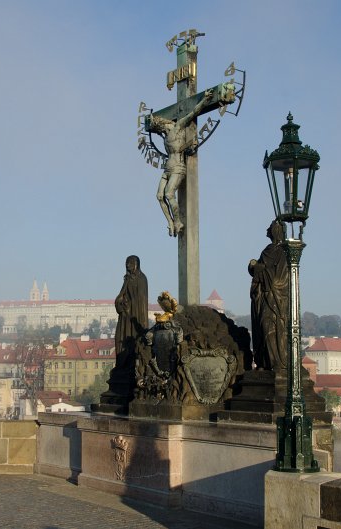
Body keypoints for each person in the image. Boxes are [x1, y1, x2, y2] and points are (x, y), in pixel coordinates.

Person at [147, 88, 214, 237]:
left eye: (159, 127)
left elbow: (193, 113)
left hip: (178, 167)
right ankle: (170, 222)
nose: (159, 130)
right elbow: (154, 126)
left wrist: (205, 100)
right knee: (159, 196)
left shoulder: (177, 127)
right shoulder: (165, 134)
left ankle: (178, 221)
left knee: (169, 194)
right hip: (167, 169)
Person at [249, 220, 289, 371]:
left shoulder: (284, 252)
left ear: (276, 231)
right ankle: (265, 362)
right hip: (265, 297)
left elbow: (279, 279)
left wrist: (258, 268)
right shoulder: (268, 250)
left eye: (270, 227)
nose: (267, 229)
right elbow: (260, 273)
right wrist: (254, 268)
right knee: (263, 327)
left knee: (269, 327)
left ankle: (276, 363)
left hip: (275, 298)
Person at [114, 255, 149, 373]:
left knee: (133, 340)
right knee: (120, 338)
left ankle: (133, 365)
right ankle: (122, 365)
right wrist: (121, 304)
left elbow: (141, 300)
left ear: (136, 264)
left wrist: (128, 305)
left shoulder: (141, 279)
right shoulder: (127, 279)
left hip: (136, 317)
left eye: (130, 263)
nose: (127, 265)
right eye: (126, 263)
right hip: (125, 316)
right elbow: (121, 295)